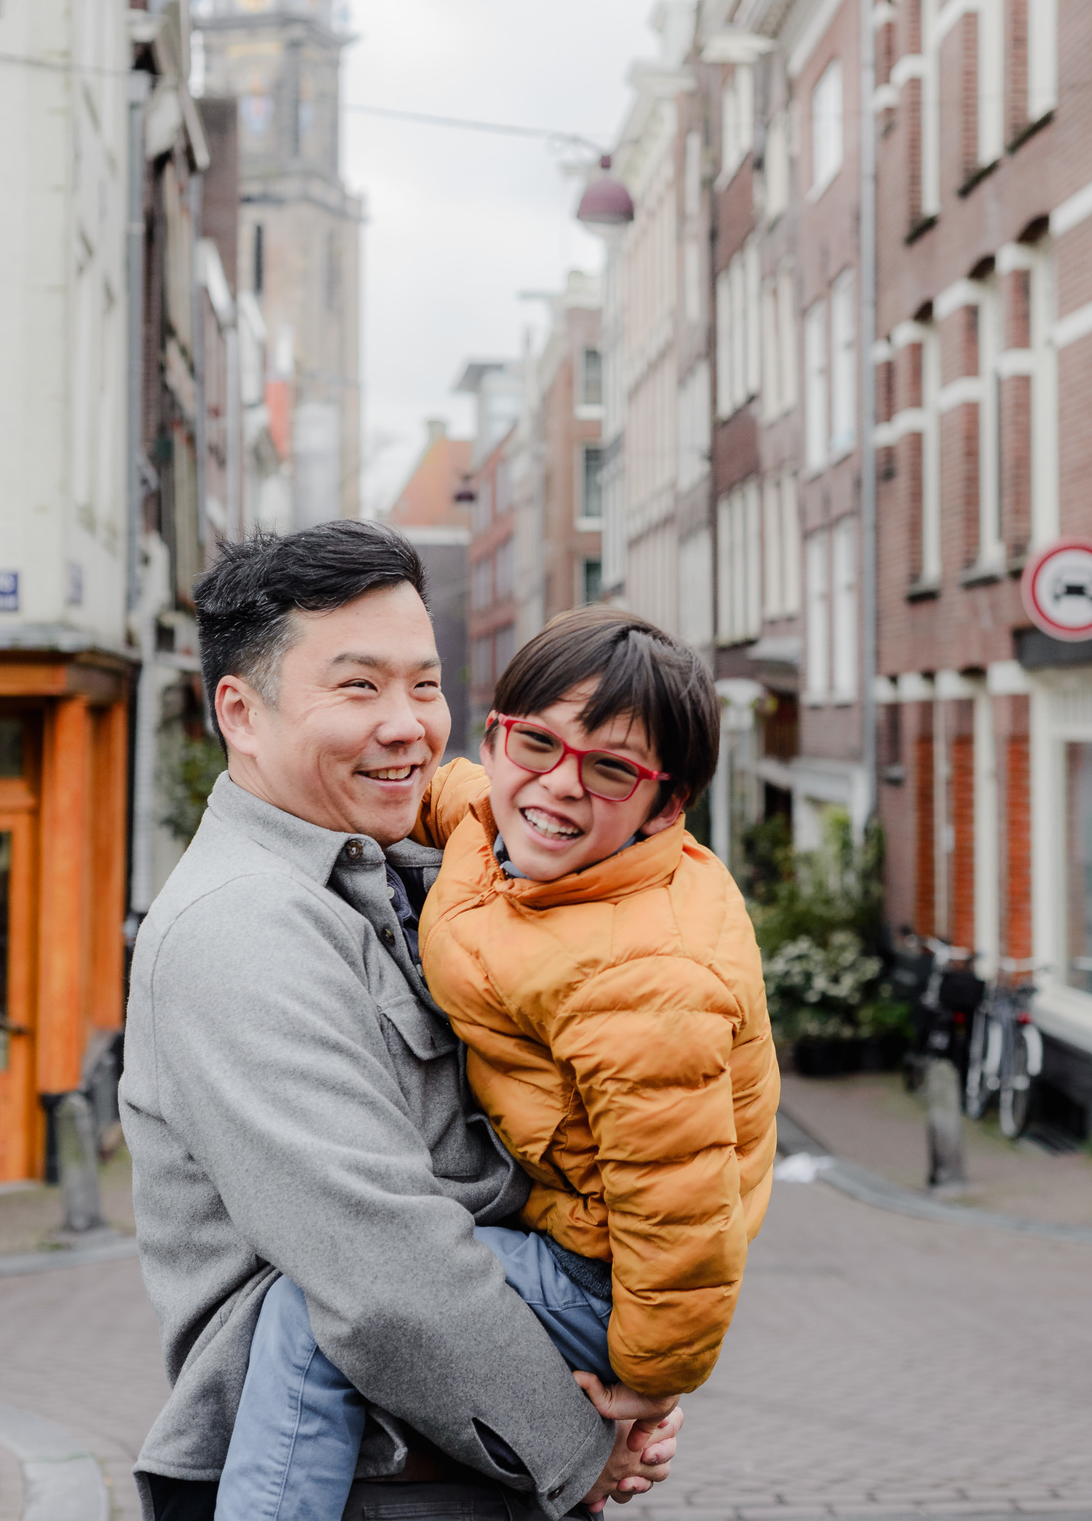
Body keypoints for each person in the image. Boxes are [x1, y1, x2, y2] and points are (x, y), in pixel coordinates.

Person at [120, 522, 682, 1521]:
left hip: (452, 1466)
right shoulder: (238, 928)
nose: (409, 725)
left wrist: (618, 1358)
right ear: (241, 713)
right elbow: (384, 1264)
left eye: (425, 685)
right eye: (358, 686)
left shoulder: (411, 879)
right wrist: (575, 1441)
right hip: (347, 1488)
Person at [215, 606, 779, 1520]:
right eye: (539, 745)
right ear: (498, 736)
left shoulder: (647, 981)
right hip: (560, 1228)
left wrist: (649, 1384)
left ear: (665, 805)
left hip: (605, 1274)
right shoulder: (491, 817)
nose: (558, 787)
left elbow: (685, 1217)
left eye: (610, 771)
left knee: (313, 1315)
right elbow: (441, 795)